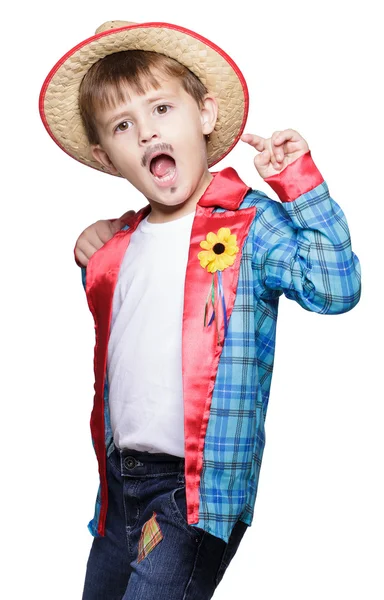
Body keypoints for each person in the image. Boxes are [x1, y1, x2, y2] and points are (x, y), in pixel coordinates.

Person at [39, 19, 361, 600]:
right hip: (119, 486)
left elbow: (336, 287)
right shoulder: (121, 243)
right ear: (104, 155)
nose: (145, 134)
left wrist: (299, 183)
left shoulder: (249, 226)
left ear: (206, 115)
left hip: (193, 493)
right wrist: (90, 247)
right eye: (122, 125)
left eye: (162, 110)